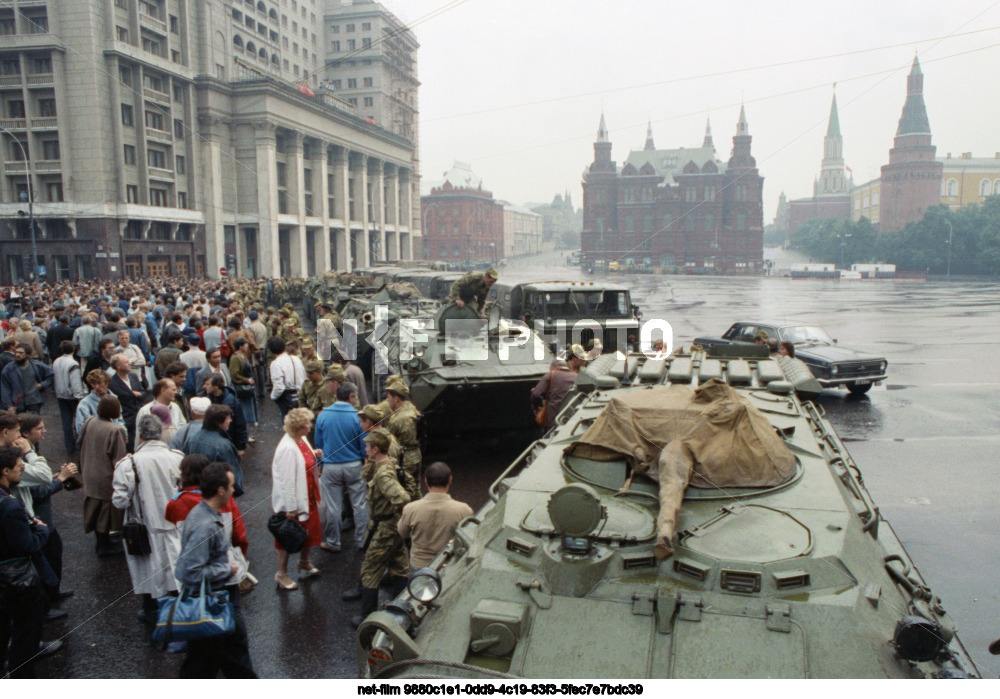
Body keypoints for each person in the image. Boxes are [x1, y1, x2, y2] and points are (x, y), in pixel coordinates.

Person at [174, 462, 257, 678]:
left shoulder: (203, 513)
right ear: (220, 491)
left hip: (215, 601)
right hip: (212, 603)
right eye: (230, 486)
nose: (233, 490)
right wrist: (227, 569)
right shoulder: (206, 525)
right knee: (209, 662)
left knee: (223, 657)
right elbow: (188, 572)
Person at [111, 414, 182, 625]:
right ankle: (179, 612)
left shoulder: (127, 464)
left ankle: (151, 611)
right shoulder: (177, 458)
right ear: (160, 434)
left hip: (143, 527)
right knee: (175, 565)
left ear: (140, 435)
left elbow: (120, 502)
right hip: (174, 524)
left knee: (148, 569)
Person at [0, 445, 61, 678]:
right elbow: (27, 545)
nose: (22, 471)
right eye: (18, 468)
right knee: (25, 636)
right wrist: (41, 531)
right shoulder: (11, 505)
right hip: (16, 581)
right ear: (5, 471)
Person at [343, 428, 411, 628]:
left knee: (370, 570)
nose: (364, 449)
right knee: (399, 565)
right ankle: (403, 610)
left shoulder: (383, 474)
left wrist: (400, 517)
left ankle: (367, 618)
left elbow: (403, 498)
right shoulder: (386, 464)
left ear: (375, 449)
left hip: (386, 525)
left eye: (367, 446)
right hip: (393, 525)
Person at [164, 454, 251, 594]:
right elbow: (239, 535)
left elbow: (172, 538)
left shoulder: (175, 504)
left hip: (193, 576)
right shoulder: (224, 499)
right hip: (225, 568)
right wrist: (238, 560)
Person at [271, 408, 323, 590]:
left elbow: (303, 459)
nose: (309, 426)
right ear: (297, 427)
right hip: (293, 501)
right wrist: (291, 508)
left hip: (307, 496)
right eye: (306, 424)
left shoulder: (300, 439)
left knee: (309, 532)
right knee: (286, 538)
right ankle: (281, 574)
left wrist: (313, 453)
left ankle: (304, 561)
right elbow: (286, 482)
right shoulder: (287, 448)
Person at [314, 382, 368, 553]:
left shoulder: (323, 415)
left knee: (333, 506)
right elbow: (363, 444)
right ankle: (362, 541)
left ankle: (333, 542)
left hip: (331, 467)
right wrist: (364, 461)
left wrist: (321, 465)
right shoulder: (358, 416)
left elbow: (318, 444)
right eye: (356, 396)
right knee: (359, 504)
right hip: (354, 465)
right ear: (350, 397)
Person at [78, 395, 128, 556]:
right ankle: (105, 546)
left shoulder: (89, 422)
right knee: (106, 513)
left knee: (95, 509)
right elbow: (119, 460)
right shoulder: (115, 430)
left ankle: (101, 543)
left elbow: (80, 441)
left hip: (89, 472)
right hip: (105, 477)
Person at [397, 462, 473, 570]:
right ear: (450, 480)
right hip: (448, 565)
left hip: (419, 566)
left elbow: (402, 532)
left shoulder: (411, 509)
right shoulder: (464, 510)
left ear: (426, 481)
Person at [187, 404, 244, 496]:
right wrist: (237, 490)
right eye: (228, 418)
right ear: (219, 422)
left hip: (199, 491)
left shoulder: (193, 438)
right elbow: (233, 473)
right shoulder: (224, 446)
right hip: (220, 494)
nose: (230, 420)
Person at [108, 352, 148, 451]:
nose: (129, 363)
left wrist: (139, 394)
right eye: (126, 362)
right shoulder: (112, 383)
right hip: (127, 421)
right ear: (118, 366)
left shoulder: (133, 376)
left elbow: (143, 392)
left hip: (140, 418)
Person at [52, 340, 86, 454]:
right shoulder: (73, 364)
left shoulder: (56, 361)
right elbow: (75, 381)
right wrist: (79, 396)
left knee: (66, 422)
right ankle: (80, 443)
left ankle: (69, 446)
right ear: (73, 349)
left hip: (60, 394)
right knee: (78, 421)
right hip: (72, 396)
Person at [133, 379, 186, 450]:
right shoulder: (145, 410)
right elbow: (139, 435)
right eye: (173, 390)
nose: (176, 392)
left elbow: (183, 427)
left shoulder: (175, 407)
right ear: (163, 390)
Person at [1, 343, 53, 415]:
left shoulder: (37, 366)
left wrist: (42, 385)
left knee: (34, 423)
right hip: (17, 403)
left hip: (34, 401)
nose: (17, 355)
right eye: (16, 352)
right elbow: (5, 388)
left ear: (28, 354)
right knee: (19, 424)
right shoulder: (9, 369)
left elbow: (51, 375)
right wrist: (9, 405)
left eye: (21, 353)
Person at [529, 357, 578, 431]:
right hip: (571, 418)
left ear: (555, 367)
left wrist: (536, 408)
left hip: (553, 420)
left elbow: (536, 394)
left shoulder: (551, 375)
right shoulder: (576, 376)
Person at [384, 382, 422, 477]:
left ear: (396, 399)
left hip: (404, 460)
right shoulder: (411, 407)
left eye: (388, 397)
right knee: (416, 488)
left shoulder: (398, 419)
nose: (387, 400)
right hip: (417, 455)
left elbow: (387, 440)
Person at [203, 374, 248, 453]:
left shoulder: (231, 401)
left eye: (207, 384)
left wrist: (240, 447)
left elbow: (240, 423)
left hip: (230, 441)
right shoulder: (207, 399)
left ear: (216, 386)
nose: (204, 386)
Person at [75, 368, 125, 437]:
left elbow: (119, 420)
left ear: (106, 382)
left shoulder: (114, 398)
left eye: (99, 383)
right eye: (93, 384)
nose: (96, 387)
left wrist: (124, 434)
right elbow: (80, 427)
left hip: (114, 438)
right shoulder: (85, 403)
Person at [269, 336, 305, 419]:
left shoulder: (275, 364)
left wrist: (273, 396)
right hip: (300, 396)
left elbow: (279, 387)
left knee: (288, 425)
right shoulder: (296, 359)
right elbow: (303, 376)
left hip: (287, 399)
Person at [229, 337, 258, 427]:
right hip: (242, 388)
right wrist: (246, 380)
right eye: (246, 345)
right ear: (240, 347)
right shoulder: (235, 358)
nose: (247, 347)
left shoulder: (242, 356)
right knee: (244, 410)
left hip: (247, 388)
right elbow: (234, 375)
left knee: (248, 408)